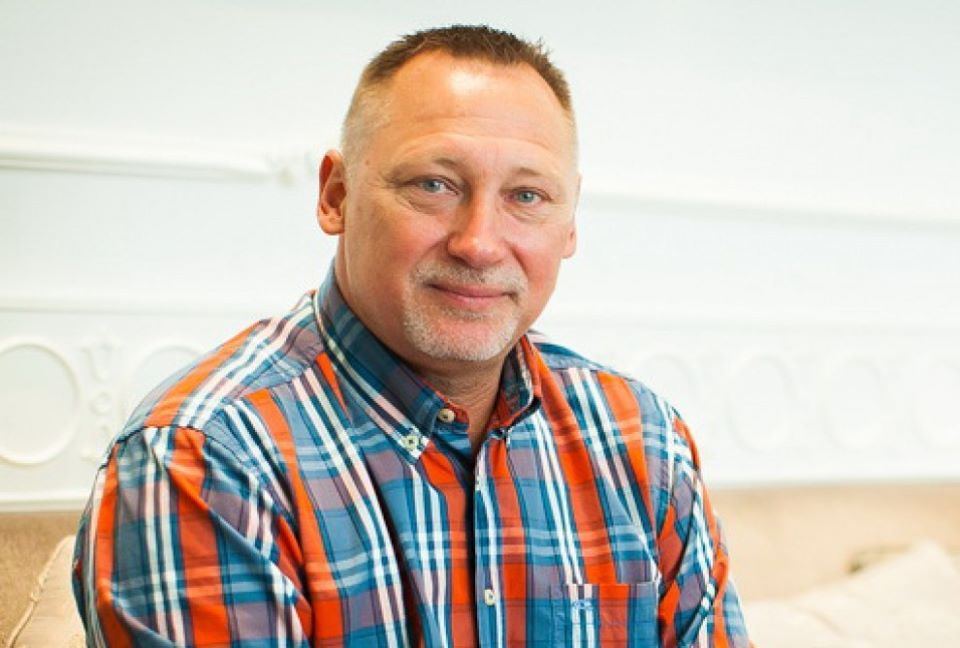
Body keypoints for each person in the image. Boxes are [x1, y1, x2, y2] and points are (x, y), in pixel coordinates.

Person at [72, 24, 750, 647]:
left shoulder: (641, 439)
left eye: (526, 197)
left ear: (569, 223)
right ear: (336, 195)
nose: (480, 243)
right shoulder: (204, 460)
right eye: (434, 184)